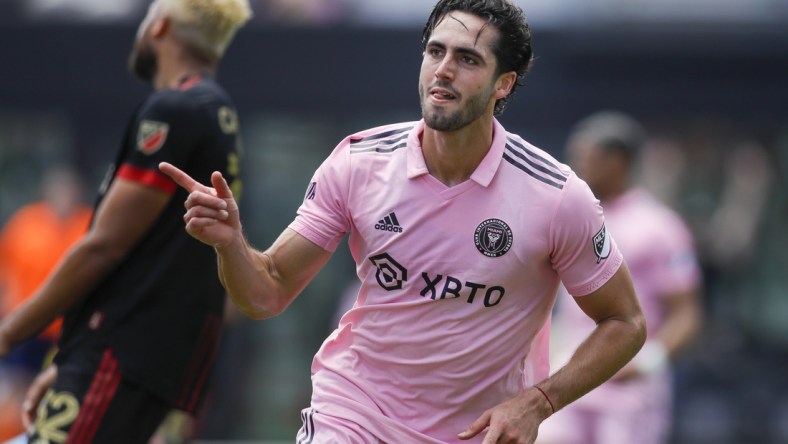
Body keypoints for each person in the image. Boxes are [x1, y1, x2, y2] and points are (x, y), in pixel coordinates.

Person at [161, 0, 646, 442]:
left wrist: (538, 403)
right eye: (435, 52)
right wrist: (230, 243)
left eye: (468, 59)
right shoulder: (359, 162)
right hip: (354, 412)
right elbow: (267, 292)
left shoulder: (556, 196)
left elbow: (624, 321)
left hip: (477, 431)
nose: (444, 70)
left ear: (505, 84)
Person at [0, 0, 251, 442]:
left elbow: (104, 246)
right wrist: (66, 361)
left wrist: (8, 334)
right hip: (145, 360)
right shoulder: (219, 113)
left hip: (119, 355)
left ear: (160, 27)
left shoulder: (175, 108)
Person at [536, 111, 704, 444]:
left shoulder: (659, 226)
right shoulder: (574, 217)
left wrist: (647, 363)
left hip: (628, 389)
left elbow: (687, 313)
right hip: (571, 377)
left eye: (588, 157)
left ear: (618, 162)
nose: (577, 166)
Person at [0, 165, 92, 441]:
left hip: (68, 329)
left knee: (66, 390)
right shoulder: (26, 223)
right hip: (29, 326)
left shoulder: (87, 223)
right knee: (19, 387)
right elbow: (7, 273)